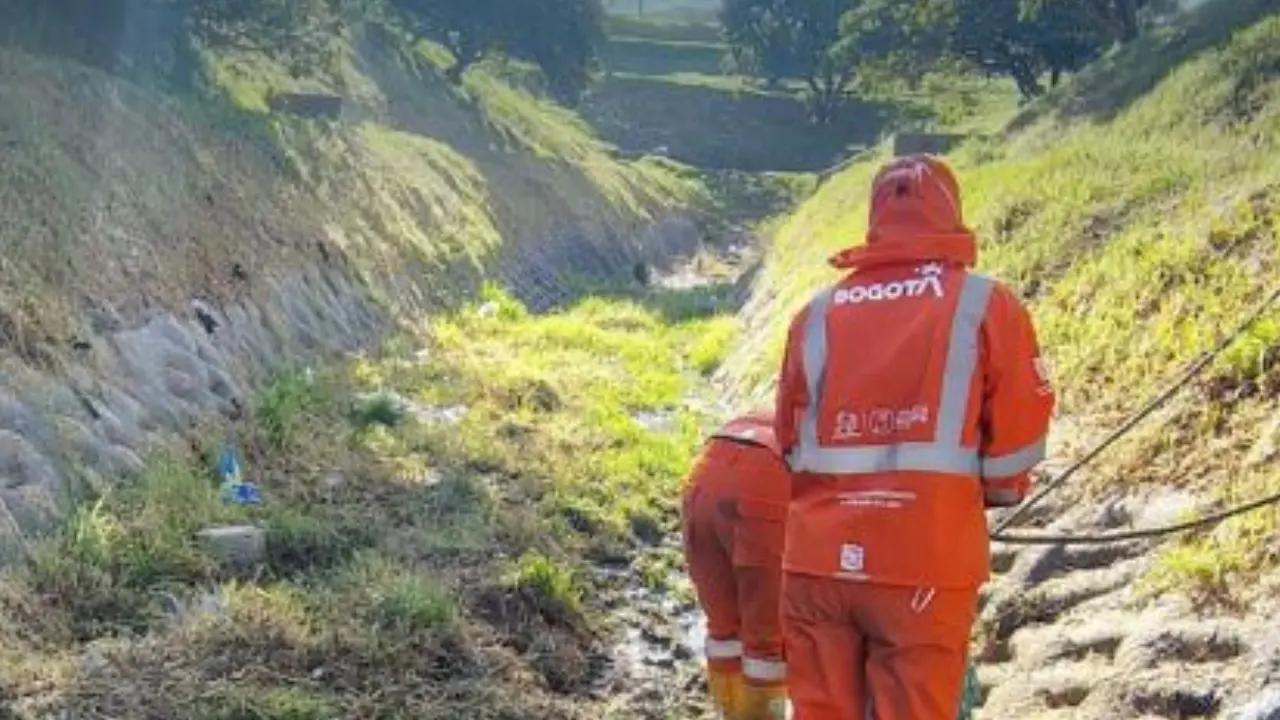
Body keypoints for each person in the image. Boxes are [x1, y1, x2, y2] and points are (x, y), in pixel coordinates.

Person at [773, 154, 1055, 720]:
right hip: (923, 562)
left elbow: (789, 437)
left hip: (816, 561)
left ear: (875, 220)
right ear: (951, 217)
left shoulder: (817, 312)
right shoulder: (983, 302)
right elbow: (1020, 431)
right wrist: (997, 489)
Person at [681, 411, 791, 720]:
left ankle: (728, 713)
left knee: (723, 629)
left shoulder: (769, 413)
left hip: (701, 479)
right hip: (767, 484)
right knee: (766, 646)